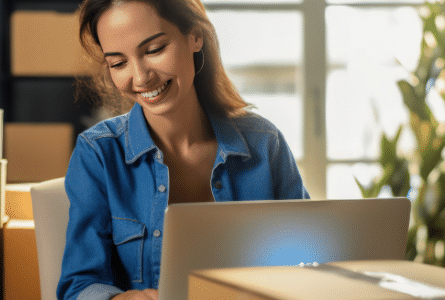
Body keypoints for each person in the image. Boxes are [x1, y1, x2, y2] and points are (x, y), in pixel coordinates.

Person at [60, 0, 310, 299]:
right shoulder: (98, 154)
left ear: (195, 37)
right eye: (118, 63)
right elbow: (79, 286)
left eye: (153, 50)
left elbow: (308, 263)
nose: (140, 78)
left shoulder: (265, 143)